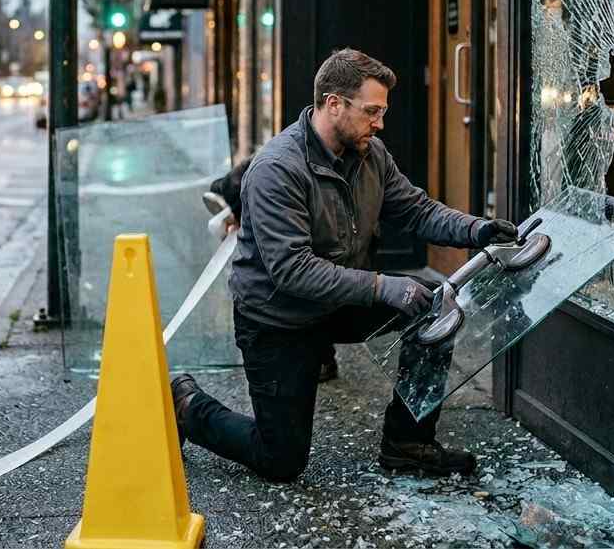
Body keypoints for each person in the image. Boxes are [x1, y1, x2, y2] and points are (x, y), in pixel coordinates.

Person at [171, 48, 516, 482]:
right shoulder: (278, 168)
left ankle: (407, 443)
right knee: (281, 461)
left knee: (436, 307)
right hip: (277, 317)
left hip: (336, 301)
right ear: (333, 103)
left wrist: (477, 231)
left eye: (382, 112)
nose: (380, 122)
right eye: (372, 111)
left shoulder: (372, 155)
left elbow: (417, 211)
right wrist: (383, 286)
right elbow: (293, 270)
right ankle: (186, 404)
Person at [208, 156, 341, 383]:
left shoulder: (269, 176)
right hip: (297, 230)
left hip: (305, 248)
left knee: (306, 290)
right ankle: (323, 359)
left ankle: (322, 360)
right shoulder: (273, 167)